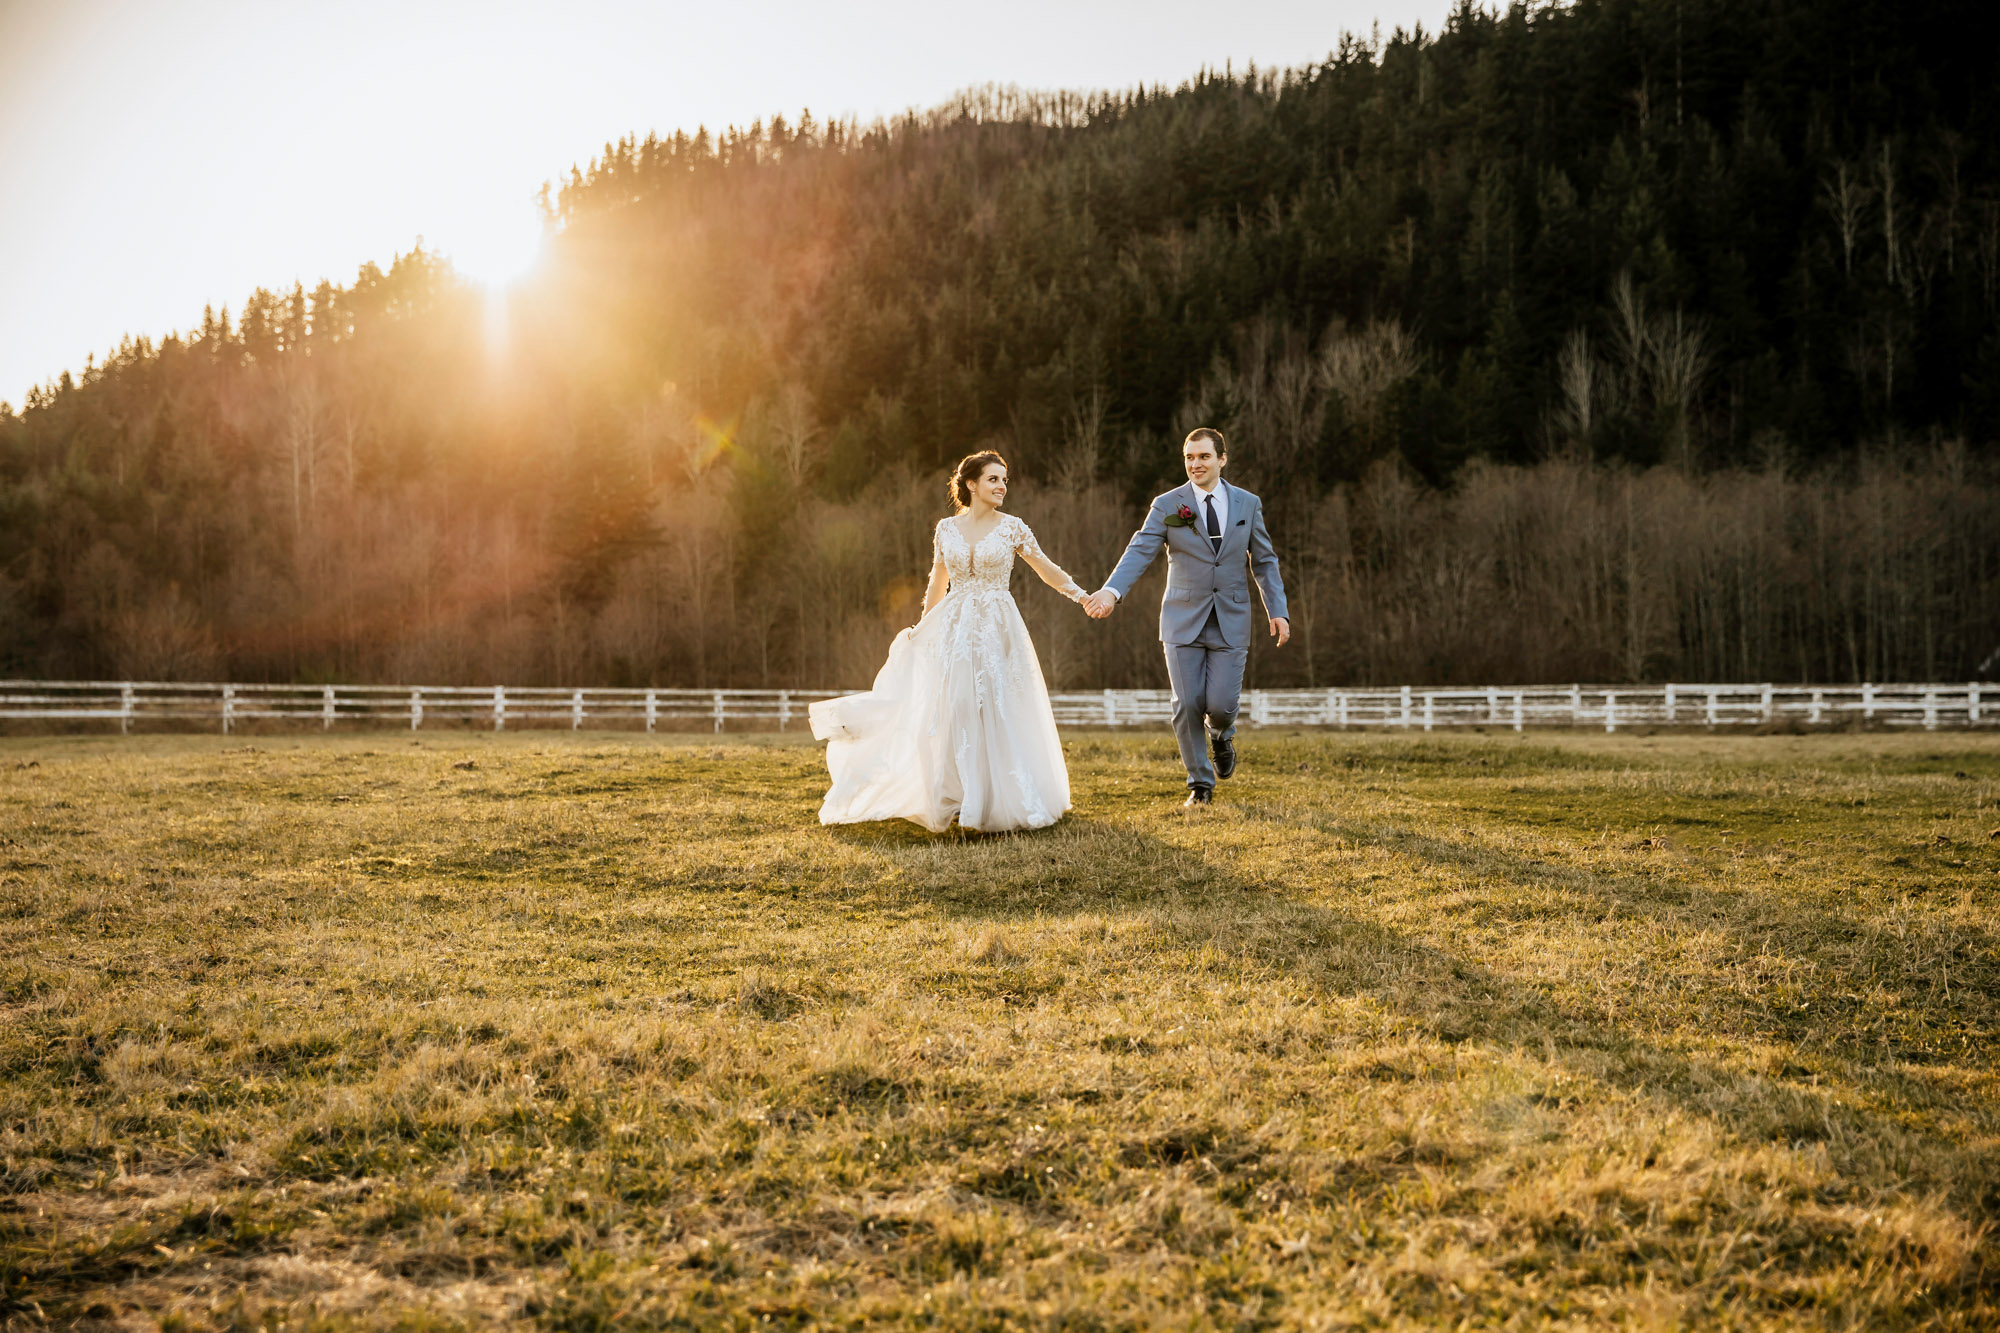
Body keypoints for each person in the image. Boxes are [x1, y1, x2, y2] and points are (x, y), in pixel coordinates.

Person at [810, 451, 1091, 832]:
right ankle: (960, 796)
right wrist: (923, 628)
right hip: (954, 627)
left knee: (997, 705)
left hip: (997, 625)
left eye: (1005, 480)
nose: (1002, 486)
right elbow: (937, 581)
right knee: (955, 706)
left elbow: (1045, 568)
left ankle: (1000, 797)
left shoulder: (1013, 528)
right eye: (994, 479)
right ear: (971, 484)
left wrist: (1083, 596)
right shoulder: (946, 529)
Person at [1082, 427, 1288, 807]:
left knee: (1222, 705)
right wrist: (1111, 591)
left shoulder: (1247, 504)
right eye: (1190, 457)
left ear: (1222, 459)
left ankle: (1222, 735)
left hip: (1232, 617)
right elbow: (1140, 549)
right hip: (1181, 620)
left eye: (1204, 457)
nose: (1196, 464)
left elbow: (1264, 560)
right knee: (1187, 702)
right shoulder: (1168, 505)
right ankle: (1200, 785)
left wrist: (1277, 610)